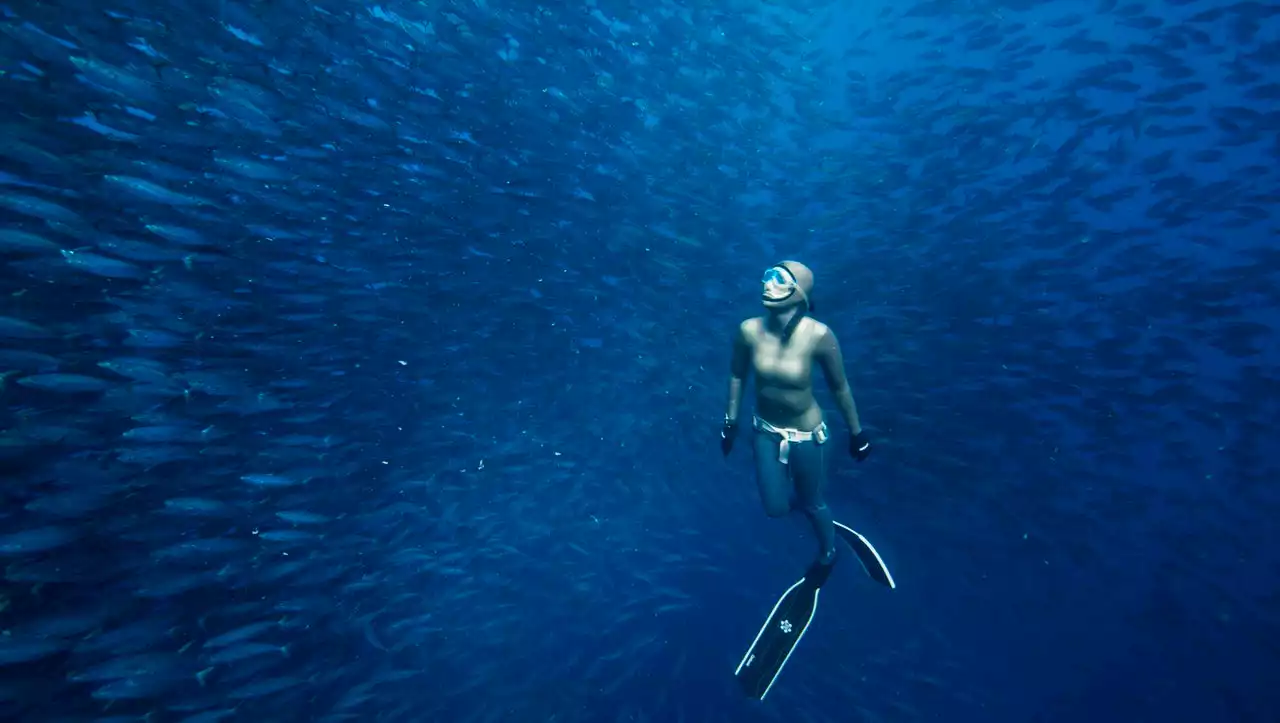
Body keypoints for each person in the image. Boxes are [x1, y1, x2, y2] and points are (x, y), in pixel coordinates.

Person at [719, 260, 872, 577]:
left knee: (814, 502)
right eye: (766, 276)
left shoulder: (819, 335)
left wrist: (857, 433)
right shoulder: (748, 331)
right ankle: (809, 507)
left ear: (799, 292)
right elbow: (737, 375)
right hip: (765, 432)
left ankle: (828, 555)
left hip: (808, 436)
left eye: (778, 279)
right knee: (775, 508)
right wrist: (730, 423)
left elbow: (839, 386)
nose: (767, 284)